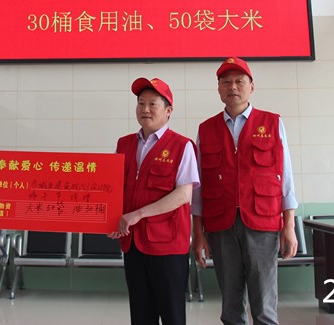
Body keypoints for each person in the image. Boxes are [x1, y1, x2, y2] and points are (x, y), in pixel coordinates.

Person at [191, 57, 298, 325]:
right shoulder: (206, 129)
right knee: (230, 306)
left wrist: (289, 225)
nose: (233, 87)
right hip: (221, 225)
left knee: (264, 307)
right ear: (218, 89)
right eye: (226, 82)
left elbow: (286, 177)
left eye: (239, 81)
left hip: (262, 223)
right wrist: (198, 233)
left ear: (252, 86)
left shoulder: (272, 123)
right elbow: (199, 186)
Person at [110, 77, 200, 325]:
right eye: (141, 103)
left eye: (153, 104)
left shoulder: (182, 146)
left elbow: (184, 195)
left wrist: (138, 214)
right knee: (141, 316)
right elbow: (113, 188)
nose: (145, 109)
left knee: (172, 316)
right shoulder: (124, 144)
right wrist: (109, 220)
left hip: (167, 245)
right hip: (133, 244)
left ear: (168, 111)